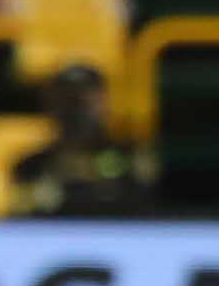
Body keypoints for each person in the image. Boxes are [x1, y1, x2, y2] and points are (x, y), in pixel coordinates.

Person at [10, 59, 159, 214]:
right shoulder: (31, 165)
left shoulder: (131, 157)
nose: (76, 109)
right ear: (51, 105)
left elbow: (140, 202)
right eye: (68, 100)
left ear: (105, 103)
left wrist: (66, 195)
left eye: (87, 101)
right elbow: (24, 215)